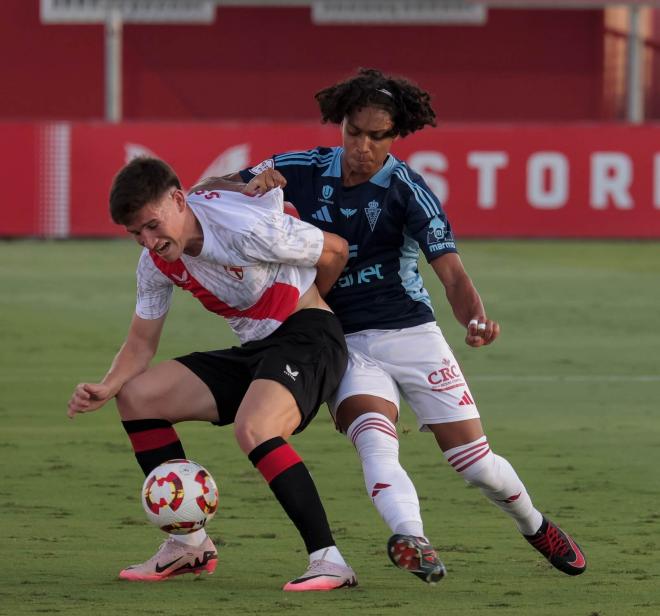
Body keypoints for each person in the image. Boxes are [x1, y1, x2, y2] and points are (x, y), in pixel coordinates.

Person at [200, 68, 587, 583]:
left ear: (395, 136)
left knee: (475, 464)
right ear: (340, 127)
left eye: (376, 136)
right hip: (343, 340)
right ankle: (413, 538)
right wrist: (247, 182)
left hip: (412, 335)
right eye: (353, 132)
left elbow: (451, 274)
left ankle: (535, 525)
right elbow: (205, 192)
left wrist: (474, 318)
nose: (362, 145)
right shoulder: (301, 167)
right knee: (376, 441)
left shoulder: (408, 190)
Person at [66, 156, 359, 592]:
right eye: (136, 234)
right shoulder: (156, 263)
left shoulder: (243, 229)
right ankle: (190, 546)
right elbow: (141, 344)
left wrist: (318, 305)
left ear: (179, 201)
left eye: (152, 225)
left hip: (309, 338)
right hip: (258, 352)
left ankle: (329, 559)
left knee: (254, 428)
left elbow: (336, 249)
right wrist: (108, 386)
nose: (148, 242)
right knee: (138, 396)